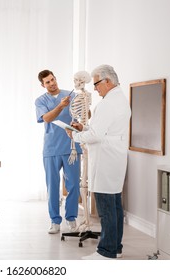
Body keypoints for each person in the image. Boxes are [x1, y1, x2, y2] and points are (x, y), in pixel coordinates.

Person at [66, 64, 131, 259]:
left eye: (96, 84)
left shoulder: (109, 103)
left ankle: (106, 252)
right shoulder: (118, 98)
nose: (94, 88)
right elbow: (102, 129)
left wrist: (74, 135)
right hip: (113, 158)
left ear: (108, 81)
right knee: (115, 206)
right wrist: (83, 127)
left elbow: (96, 135)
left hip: (106, 160)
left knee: (106, 209)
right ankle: (115, 248)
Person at [35, 70, 82, 234]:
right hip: (51, 148)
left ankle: (71, 218)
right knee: (53, 186)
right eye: (47, 82)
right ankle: (55, 221)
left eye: (53, 79)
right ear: (43, 85)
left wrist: (85, 108)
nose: (52, 83)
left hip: (71, 147)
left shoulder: (72, 95)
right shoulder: (40, 100)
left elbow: (82, 116)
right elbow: (46, 118)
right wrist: (61, 105)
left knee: (74, 185)